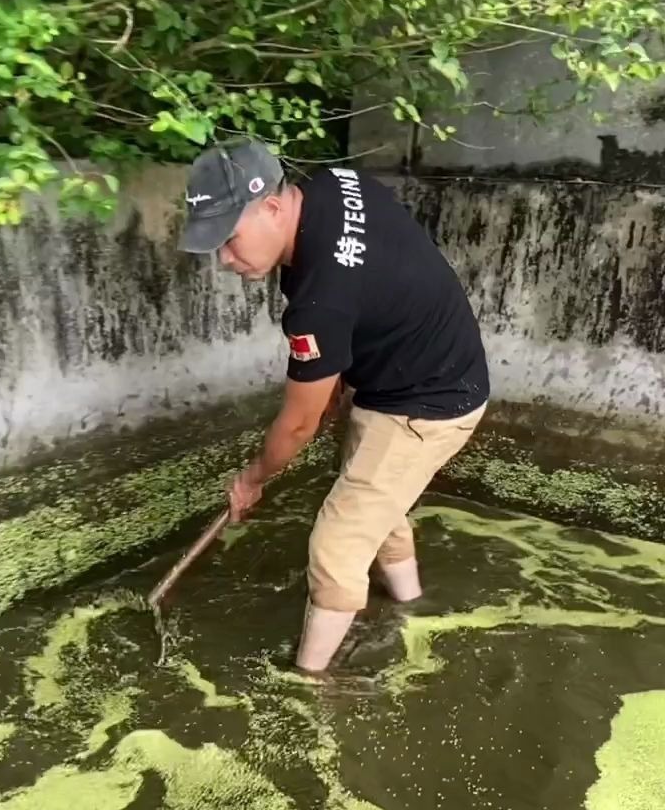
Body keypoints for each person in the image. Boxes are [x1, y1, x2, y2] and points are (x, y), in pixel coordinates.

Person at [179, 139, 491, 672]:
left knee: (337, 541)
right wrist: (333, 389)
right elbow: (368, 291)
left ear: (272, 207)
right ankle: (412, 603)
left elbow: (298, 423)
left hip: (428, 403)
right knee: (374, 503)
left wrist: (252, 478)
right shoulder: (336, 185)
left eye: (229, 240)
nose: (226, 261)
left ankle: (310, 684)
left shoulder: (319, 301)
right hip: (413, 377)